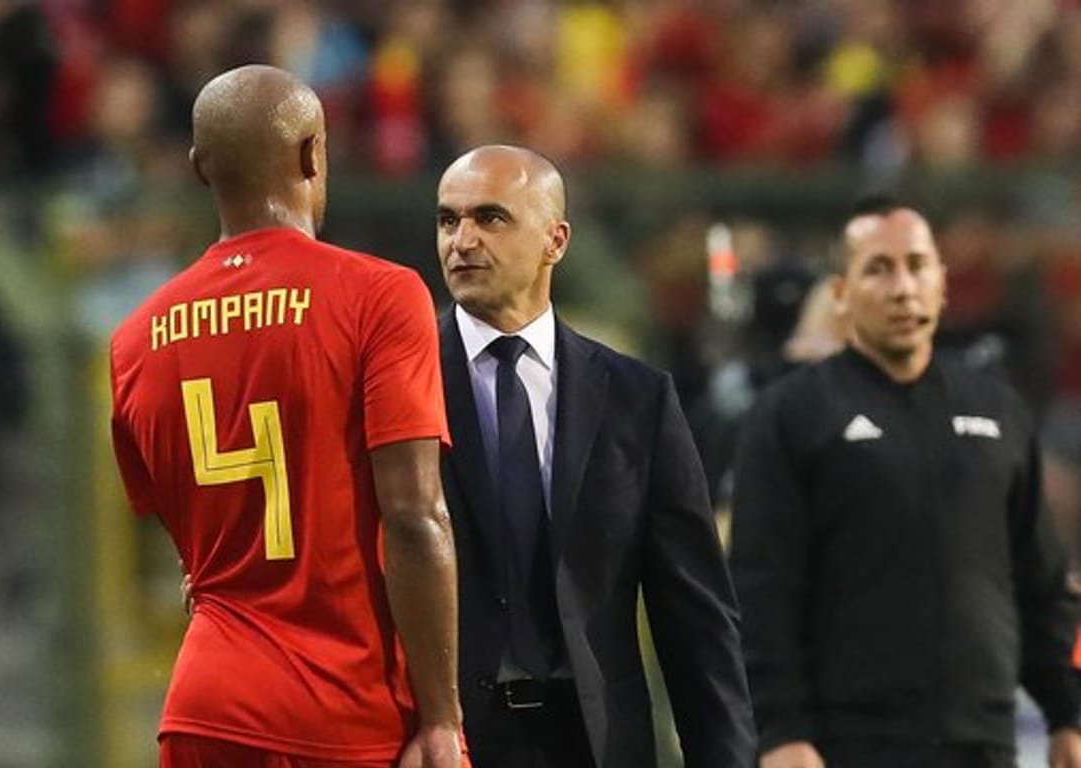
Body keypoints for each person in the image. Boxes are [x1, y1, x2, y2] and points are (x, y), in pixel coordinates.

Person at [109, 65, 464, 768]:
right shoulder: (381, 296)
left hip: (204, 709)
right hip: (345, 707)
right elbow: (415, 516)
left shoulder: (135, 337)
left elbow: (180, 538)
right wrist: (442, 717)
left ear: (199, 168)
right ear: (312, 154)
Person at [730, 196, 1081, 768]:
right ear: (840, 294)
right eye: (878, 268)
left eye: (918, 265)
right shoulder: (791, 413)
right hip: (847, 745)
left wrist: (1068, 712)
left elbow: (1039, 579)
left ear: (942, 280)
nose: (903, 287)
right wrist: (779, 729)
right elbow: (760, 587)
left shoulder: (997, 408)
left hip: (984, 741)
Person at [433, 144, 755, 767]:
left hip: (596, 745)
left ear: (555, 240)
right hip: (446, 745)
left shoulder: (639, 399)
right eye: (449, 220)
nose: (462, 240)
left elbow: (696, 618)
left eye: (490, 218)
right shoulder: (394, 383)